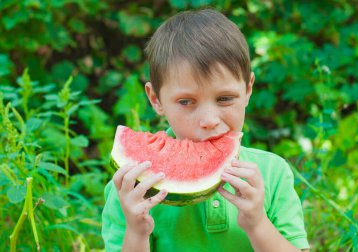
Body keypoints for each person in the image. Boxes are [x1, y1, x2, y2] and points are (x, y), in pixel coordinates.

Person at [102, 8, 310, 252]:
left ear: (248, 89)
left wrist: (257, 224)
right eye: (186, 102)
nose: (209, 120)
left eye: (224, 99)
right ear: (156, 99)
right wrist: (137, 232)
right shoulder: (131, 188)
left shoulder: (273, 174)